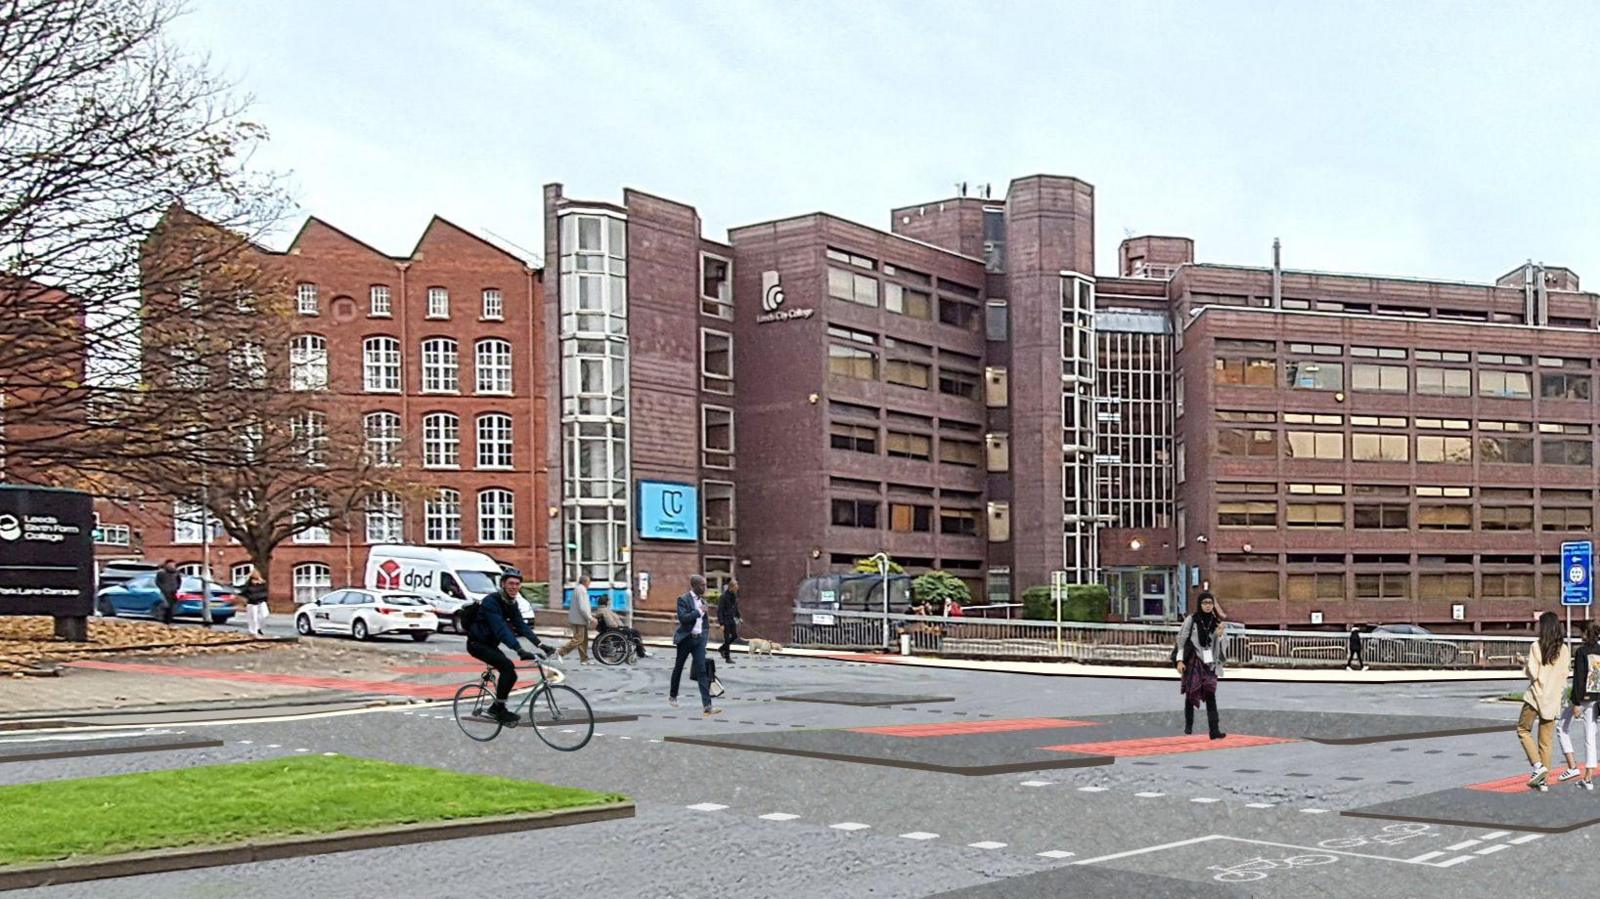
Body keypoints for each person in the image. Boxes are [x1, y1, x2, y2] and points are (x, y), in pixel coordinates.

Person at [465, 570, 552, 726]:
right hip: (477, 644)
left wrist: (541, 645)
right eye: (511, 583)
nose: (514, 587)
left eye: (517, 584)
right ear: (503, 584)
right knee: (508, 669)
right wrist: (519, 650)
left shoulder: (512, 603)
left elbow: (521, 626)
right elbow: (501, 629)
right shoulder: (491, 602)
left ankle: (498, 706)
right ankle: (498, 708)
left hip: (490, 645)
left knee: (510, 673)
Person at [1518, 610, 1571, 790]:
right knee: (1546, 742)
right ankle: (1544, 781)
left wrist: (1524, 663)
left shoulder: (1536, 646)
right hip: (1553, 700)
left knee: (1523, 730)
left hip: (1535, 697)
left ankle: (1537, 766)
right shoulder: (1564, 650)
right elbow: (1564, 676)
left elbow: (1533, 673)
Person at [1172, 591, 1227, 740]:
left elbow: (1220, 647)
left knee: (1211, 695)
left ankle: (1214, 730)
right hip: (1194, 661)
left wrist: (1221, 635)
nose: (1208, 606)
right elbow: (1181, 639)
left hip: (1209, 664)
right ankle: (1189, 725)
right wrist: (1179, 660)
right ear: (1200, 604)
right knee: (1191, 693)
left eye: (1210, 603)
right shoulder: (1192, 619)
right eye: (1205, 603)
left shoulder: (1216, 622)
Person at [1555, 620, 1600, 790]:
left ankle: (1572, 767)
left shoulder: (1582, 652)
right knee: (1590, 737)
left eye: (1581, 632)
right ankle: (1588, 778)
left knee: (1562, 727)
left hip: (1582, 698)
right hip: (1596, 699)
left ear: (1585, 634)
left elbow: (1579, 679)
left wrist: (1576, 702)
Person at [669, 574, 720, 716]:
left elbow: (705, 624)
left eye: (705, 585)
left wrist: (704, 638)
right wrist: (698, 611)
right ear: (695, 585)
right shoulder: (683, 599)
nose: (705, 588)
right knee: (679, 667)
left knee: (702, 671)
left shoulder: (702, 601)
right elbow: (683, 618)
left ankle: (707, 706)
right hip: (686, 639)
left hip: (699, 641)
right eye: (702, 585)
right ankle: (673, 696)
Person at [556, 573, 595, 664]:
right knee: (579, 639)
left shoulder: (578, 589)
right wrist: (590, 618)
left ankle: (584, 659)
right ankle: (560, 652)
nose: (589, 584)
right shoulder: (582, 590)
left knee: (583, 640)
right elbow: (583, 607)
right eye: (589, 582)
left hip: (578, 619)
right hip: (579, 620)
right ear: (585, 582)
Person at [595, 594, 648, 660]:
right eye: (609, 601)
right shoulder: (605, 611)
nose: (610, 602)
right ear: (607, 602)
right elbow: (610, 623)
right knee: (635, 633)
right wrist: (619, 626)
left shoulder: (600, 610)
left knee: (634, 633)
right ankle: (641, 653)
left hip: (610, 630)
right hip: (615, 630)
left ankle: (640, 652)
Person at [718, 579, 742, 664]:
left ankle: (721, 648)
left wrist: (739, 617)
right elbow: (720, 611)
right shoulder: (723, 597)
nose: (737, 588)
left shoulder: (734, 596)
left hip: (731, 620)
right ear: (731, 587)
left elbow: (735, 608)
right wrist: (721, 623)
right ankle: (727, 658)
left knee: (735, 636)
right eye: (736, 586)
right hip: (725, 621)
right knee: (727, 639)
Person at [240, 569, 269, 636]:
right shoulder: (248, 585)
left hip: (261, 601)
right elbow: (243, 592)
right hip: (252, 603)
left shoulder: (261, 584)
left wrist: (260, 584)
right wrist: (249, 598)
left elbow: (264, 592)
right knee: (253, 618)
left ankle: (258, 628)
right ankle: (253, 631)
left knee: (264, 615)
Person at [155, 560, 181, 625]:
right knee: (166, 605)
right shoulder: (161, 573)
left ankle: (169, 620)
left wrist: (177, 587)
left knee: (172, 607)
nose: (172, 566)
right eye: (170, 565)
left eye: (173, 565)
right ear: (166, 565)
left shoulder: (176, 573)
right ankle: (163, 619)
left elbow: (179, 581)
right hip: (164, 592)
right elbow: (157, 582)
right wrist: (162, 588)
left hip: (173, 592)